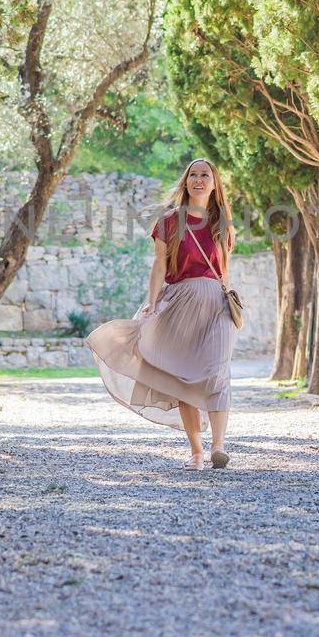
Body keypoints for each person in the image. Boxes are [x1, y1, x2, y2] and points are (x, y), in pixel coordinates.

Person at [85, 157, 238, 469]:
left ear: (214, 183)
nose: (198, 179)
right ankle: (197, 451)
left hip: (215, 303)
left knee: (218, 372)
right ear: (185, 182)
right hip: (180, 300)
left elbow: (225, 269)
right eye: (192, 175)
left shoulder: (223, 220)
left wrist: (229, 300)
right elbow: (160, 265)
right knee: (181, 375)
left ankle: (218, 447)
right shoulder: (169, 220)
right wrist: (152, 302)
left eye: (204, 175)